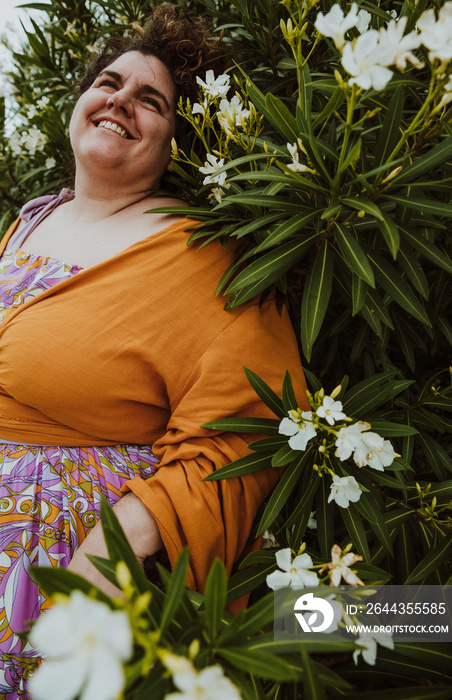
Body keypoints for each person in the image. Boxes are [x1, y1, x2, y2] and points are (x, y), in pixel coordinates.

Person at [0, 3, 307, 696]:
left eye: (152, 101)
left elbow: (246, 436)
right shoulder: (29, 222)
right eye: (108, 82)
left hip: (60, 573)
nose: (119, 102)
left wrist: (112, 547)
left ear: (179, 140)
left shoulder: (205, 256)